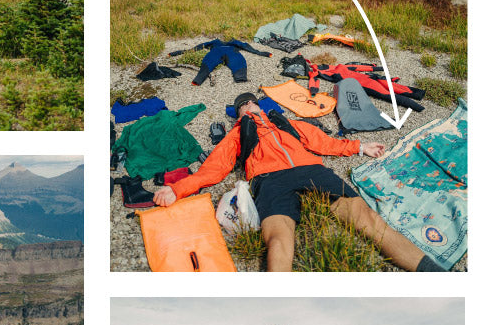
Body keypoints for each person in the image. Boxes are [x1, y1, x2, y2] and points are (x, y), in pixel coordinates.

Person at [152, 92, 446, 272]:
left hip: (311, 170)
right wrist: (176, 190)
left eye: (251, 104)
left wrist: (359, 146)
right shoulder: (236, 135)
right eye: (243, 107)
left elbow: (324, 143)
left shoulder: (286, 123)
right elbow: (213, 171)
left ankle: (436, 273)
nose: (249, 108)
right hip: (269, 181)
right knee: (278, 239)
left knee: (367, 219)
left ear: (259, 106)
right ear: (238, 115)